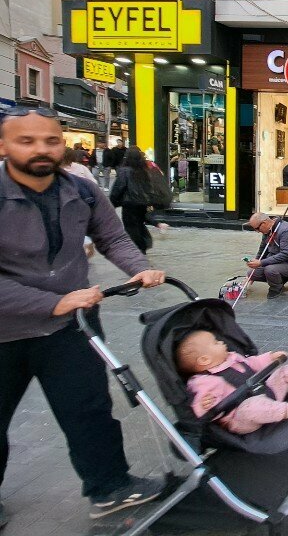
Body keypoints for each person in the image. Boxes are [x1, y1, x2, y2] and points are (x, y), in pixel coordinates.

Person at [0, 107, 166, 525]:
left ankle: (110, 487)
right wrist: (50, 302)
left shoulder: (82, 191)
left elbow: (112, 237)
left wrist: (138, 267)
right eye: (26, 141)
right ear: (3, 146)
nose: (41, 149)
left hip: (71, 326)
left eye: (51, 140)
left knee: (88, 408)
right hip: (6, 331)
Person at [177, 330, 288, 435]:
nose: (221, 342)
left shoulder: (232, 358)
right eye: (216, 343)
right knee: (250, 406)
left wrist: (270, 358)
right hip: (241, 418)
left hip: (265, 393)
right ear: (205, 359)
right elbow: (199, 407)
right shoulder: (203, 381)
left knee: (282, 372)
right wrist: (204, 405)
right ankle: (287, 410)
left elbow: (253, 363)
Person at [246, 213, 288, 299]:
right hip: (276, 260)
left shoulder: (287, 230)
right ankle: (280, 279)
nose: (257, 231)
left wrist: (261, 262)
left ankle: (276, 288)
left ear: (264, 223)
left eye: (257, 228)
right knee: (251, 273)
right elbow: (262, 250)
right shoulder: (267, 231)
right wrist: (256, 262)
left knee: (270, 270)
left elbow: (285, 254)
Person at [110, 147, 160, 254]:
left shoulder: (124, 171)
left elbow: (119, 188)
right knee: (139, 224)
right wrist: (150, 201)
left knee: (131, 227)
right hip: (142, 203)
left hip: (129, 204)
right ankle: (142, 247)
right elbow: (149, 188)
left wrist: (112, 203)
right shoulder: (144, 170)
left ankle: (137, 250)